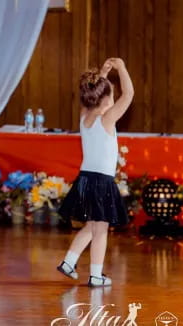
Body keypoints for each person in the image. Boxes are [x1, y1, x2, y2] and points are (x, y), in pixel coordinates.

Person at [57, 58, 134, 287]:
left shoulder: (85, 116)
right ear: (108, 99)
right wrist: (122, 68)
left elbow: (95, 92)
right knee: (101, 229)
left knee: (92, 225)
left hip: (86, 179)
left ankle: (69, 262)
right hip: (101, 181)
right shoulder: (107, 118)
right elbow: (128, 95)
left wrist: (103, 73)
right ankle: (96, 275)